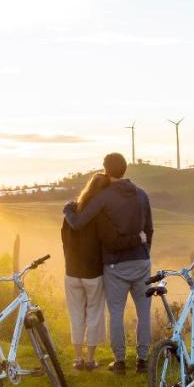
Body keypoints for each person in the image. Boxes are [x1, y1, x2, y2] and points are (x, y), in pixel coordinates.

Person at [62, 152, 154, 374]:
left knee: (116, 313)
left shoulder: (104, 197)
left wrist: (68, 210)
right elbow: (149, 229)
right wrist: (144, 252)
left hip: (115, 265)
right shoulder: (142, 195)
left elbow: (78, 222)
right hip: (141, 262)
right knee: (144, 313)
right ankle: (142, 360)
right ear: (125, 169)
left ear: (105, 169)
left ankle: (120, 362)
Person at [60, 172, 110, 370]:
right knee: (95, 314)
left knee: (76, 314)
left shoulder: (71, 212)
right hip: (93, 273)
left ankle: (78, 358)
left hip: (71, 271)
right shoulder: (100, 216)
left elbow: (64, 241)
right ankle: (90, 359)